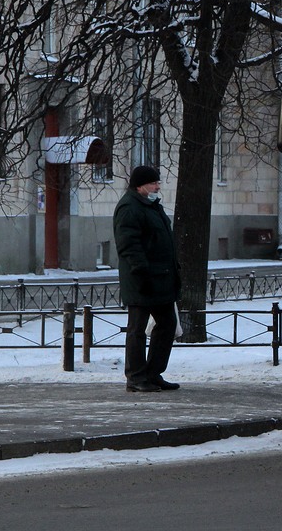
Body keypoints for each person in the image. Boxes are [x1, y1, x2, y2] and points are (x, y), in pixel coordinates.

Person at [114, 165, 181, 393]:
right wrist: (141, 272)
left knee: (167, 324)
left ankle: (152, 373)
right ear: (140, 185)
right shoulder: (129, 207)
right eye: (154, 183)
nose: (157, 186)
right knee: (137, 329)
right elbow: (129, 245)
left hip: (160, 278)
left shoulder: (151, 205)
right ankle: (135, 376)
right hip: (141, 279)